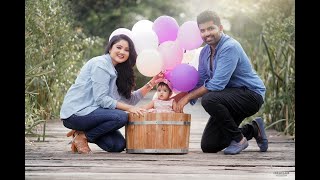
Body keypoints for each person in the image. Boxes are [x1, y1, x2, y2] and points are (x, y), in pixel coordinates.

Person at [174, 10, 268, 155]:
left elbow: (216, 84)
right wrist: (180, 96)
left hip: (250, 96)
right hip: (228, 100)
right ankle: (253, 129)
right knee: (209, 145)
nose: (207, 34)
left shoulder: (230, 47)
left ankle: (239, 140)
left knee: (208, 99)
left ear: (221, 28)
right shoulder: (205, 52)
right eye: (203, 30)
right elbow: (200, 81)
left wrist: (187, 98)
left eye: (211, 28)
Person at [60, 34, 162, 154]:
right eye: (118, 47)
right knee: (121, 116)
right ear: (110, 48)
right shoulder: (101, 65)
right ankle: (83, 137)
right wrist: (130, 109)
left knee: (117, 145)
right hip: (77, 113)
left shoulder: (118, 71)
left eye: (126, 50)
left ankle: (82, 132)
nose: (122, 52)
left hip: (93, 113)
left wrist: (152, 83)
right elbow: (101, 99)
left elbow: (129, 100)